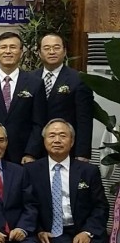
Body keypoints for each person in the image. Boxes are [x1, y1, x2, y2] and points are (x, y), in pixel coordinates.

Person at [0, 32, 46, 164]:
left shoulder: (35, 83)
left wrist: (31, 152)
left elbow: (39, 122)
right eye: (3, 47)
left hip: (23, 154)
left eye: (13, 47)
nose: (8, 51)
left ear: (21, 52)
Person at [32, 32, 93, 161]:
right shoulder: (30, 78)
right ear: (39, 53)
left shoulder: (78, 79)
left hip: (66, 148)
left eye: (56, 47)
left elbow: (84, 119)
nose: (52, 52)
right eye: (47, 48)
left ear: (64, 51)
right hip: (34, 149)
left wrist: (82, 153)